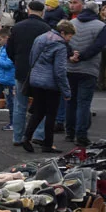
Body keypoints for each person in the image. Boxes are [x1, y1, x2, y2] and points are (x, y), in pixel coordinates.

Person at [22, 20, 76, 154]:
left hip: (36, 79)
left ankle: (26, 137)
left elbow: (31, 58)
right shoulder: (60, 46)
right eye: (69, 36)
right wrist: (67, 91)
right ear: (63, 33)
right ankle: (47, 144)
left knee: (38, 111)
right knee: (51, 114)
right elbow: (60, 71)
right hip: (51, 84)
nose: (70, 39)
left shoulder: (40, 38)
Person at [61, 0, 106, 145]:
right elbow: (98, 46)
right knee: (84, 103)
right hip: (89, 69)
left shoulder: (71, 23)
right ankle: (81, 136)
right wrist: (83, 56)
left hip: (70, 68)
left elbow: (63, 43)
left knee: (70, 102)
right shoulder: (101, 26)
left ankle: (69, 132)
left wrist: (72, 56)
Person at [7, 1, 50, 146]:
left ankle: (17, 137)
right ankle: (38, 134)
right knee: (41, 105)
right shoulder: (47, 28)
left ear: (28, 10)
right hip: (41, 70)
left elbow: (9, 49)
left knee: (20, 105)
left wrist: (17, 60)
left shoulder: (17, 27)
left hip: (21, 69)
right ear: (42, 12)